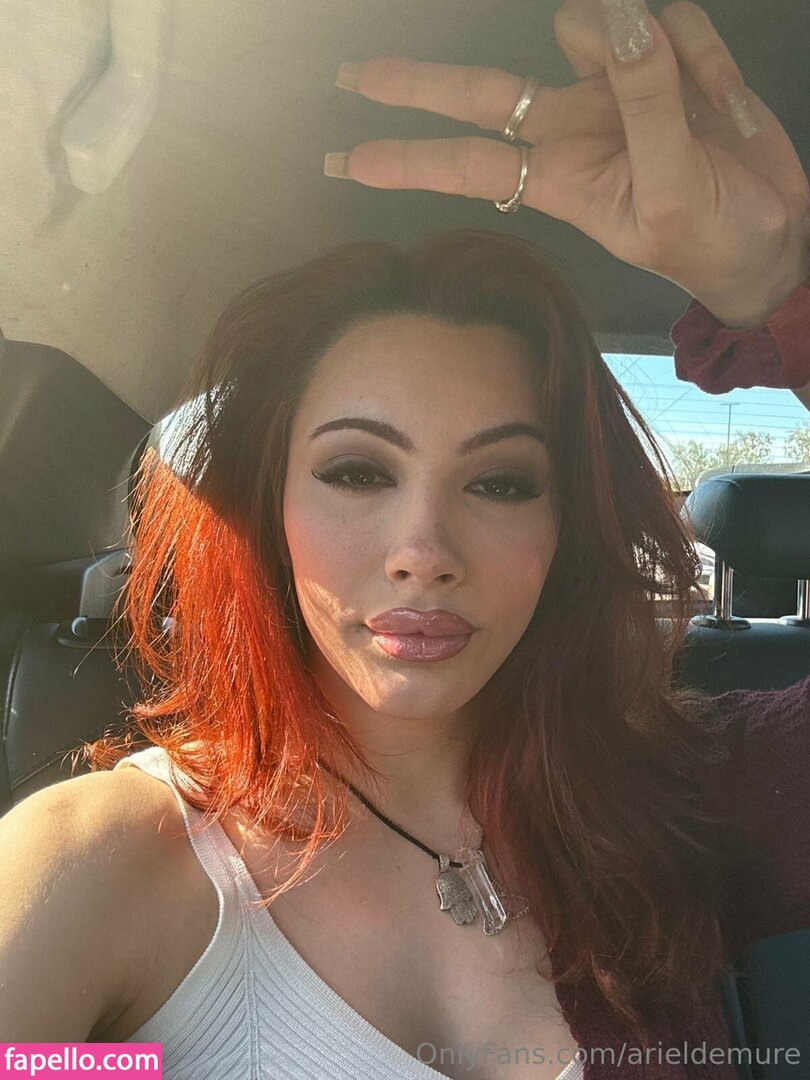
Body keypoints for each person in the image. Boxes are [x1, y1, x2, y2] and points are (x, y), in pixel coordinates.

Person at [0, 1, 808, 1078]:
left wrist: (781, 293)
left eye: (502, 483)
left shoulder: (679, 800)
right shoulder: (101, 863)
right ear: (265, 511)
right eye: (357, 472)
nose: (424, 549)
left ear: (567, 531)